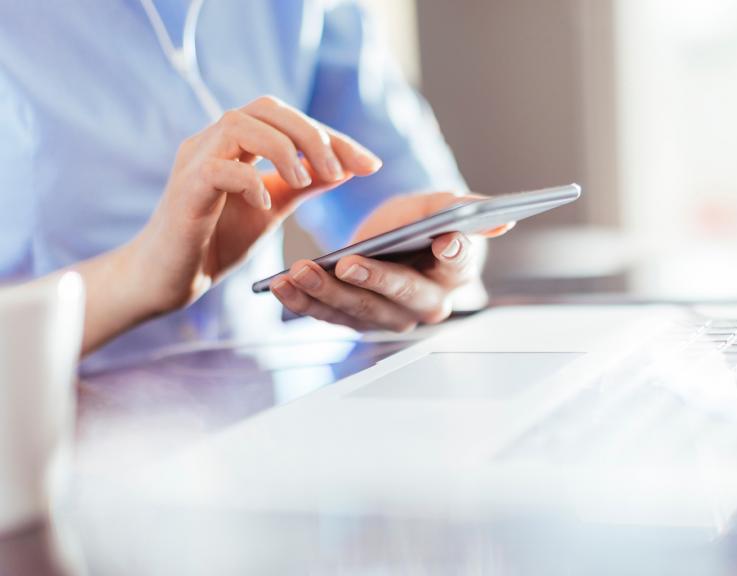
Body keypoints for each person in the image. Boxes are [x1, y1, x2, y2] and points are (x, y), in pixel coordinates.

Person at [0, 1, 501, 369]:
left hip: (265, 416)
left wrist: (435, 261)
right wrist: (134, 278)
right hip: (44, 449)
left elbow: (417, 209)